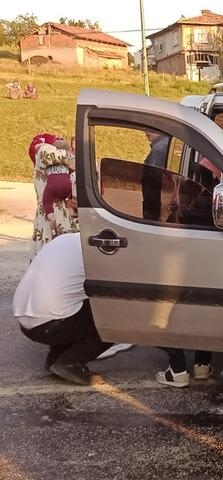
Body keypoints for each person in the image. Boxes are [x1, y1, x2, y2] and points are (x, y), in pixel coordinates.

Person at [12, 233, 111, 385]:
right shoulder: (99, 251)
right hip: (51, 323)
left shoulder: (65, 239)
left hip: (25, 321)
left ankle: (55, 358)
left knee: (69, 300)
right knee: (119, 315)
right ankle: (70, 362)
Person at [29, 133, 78, 258]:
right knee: (49, 255)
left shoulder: (60, 165)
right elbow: (46, 153)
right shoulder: (42, 156)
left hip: (63, 215)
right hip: (48, 215)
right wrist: (71, 159)